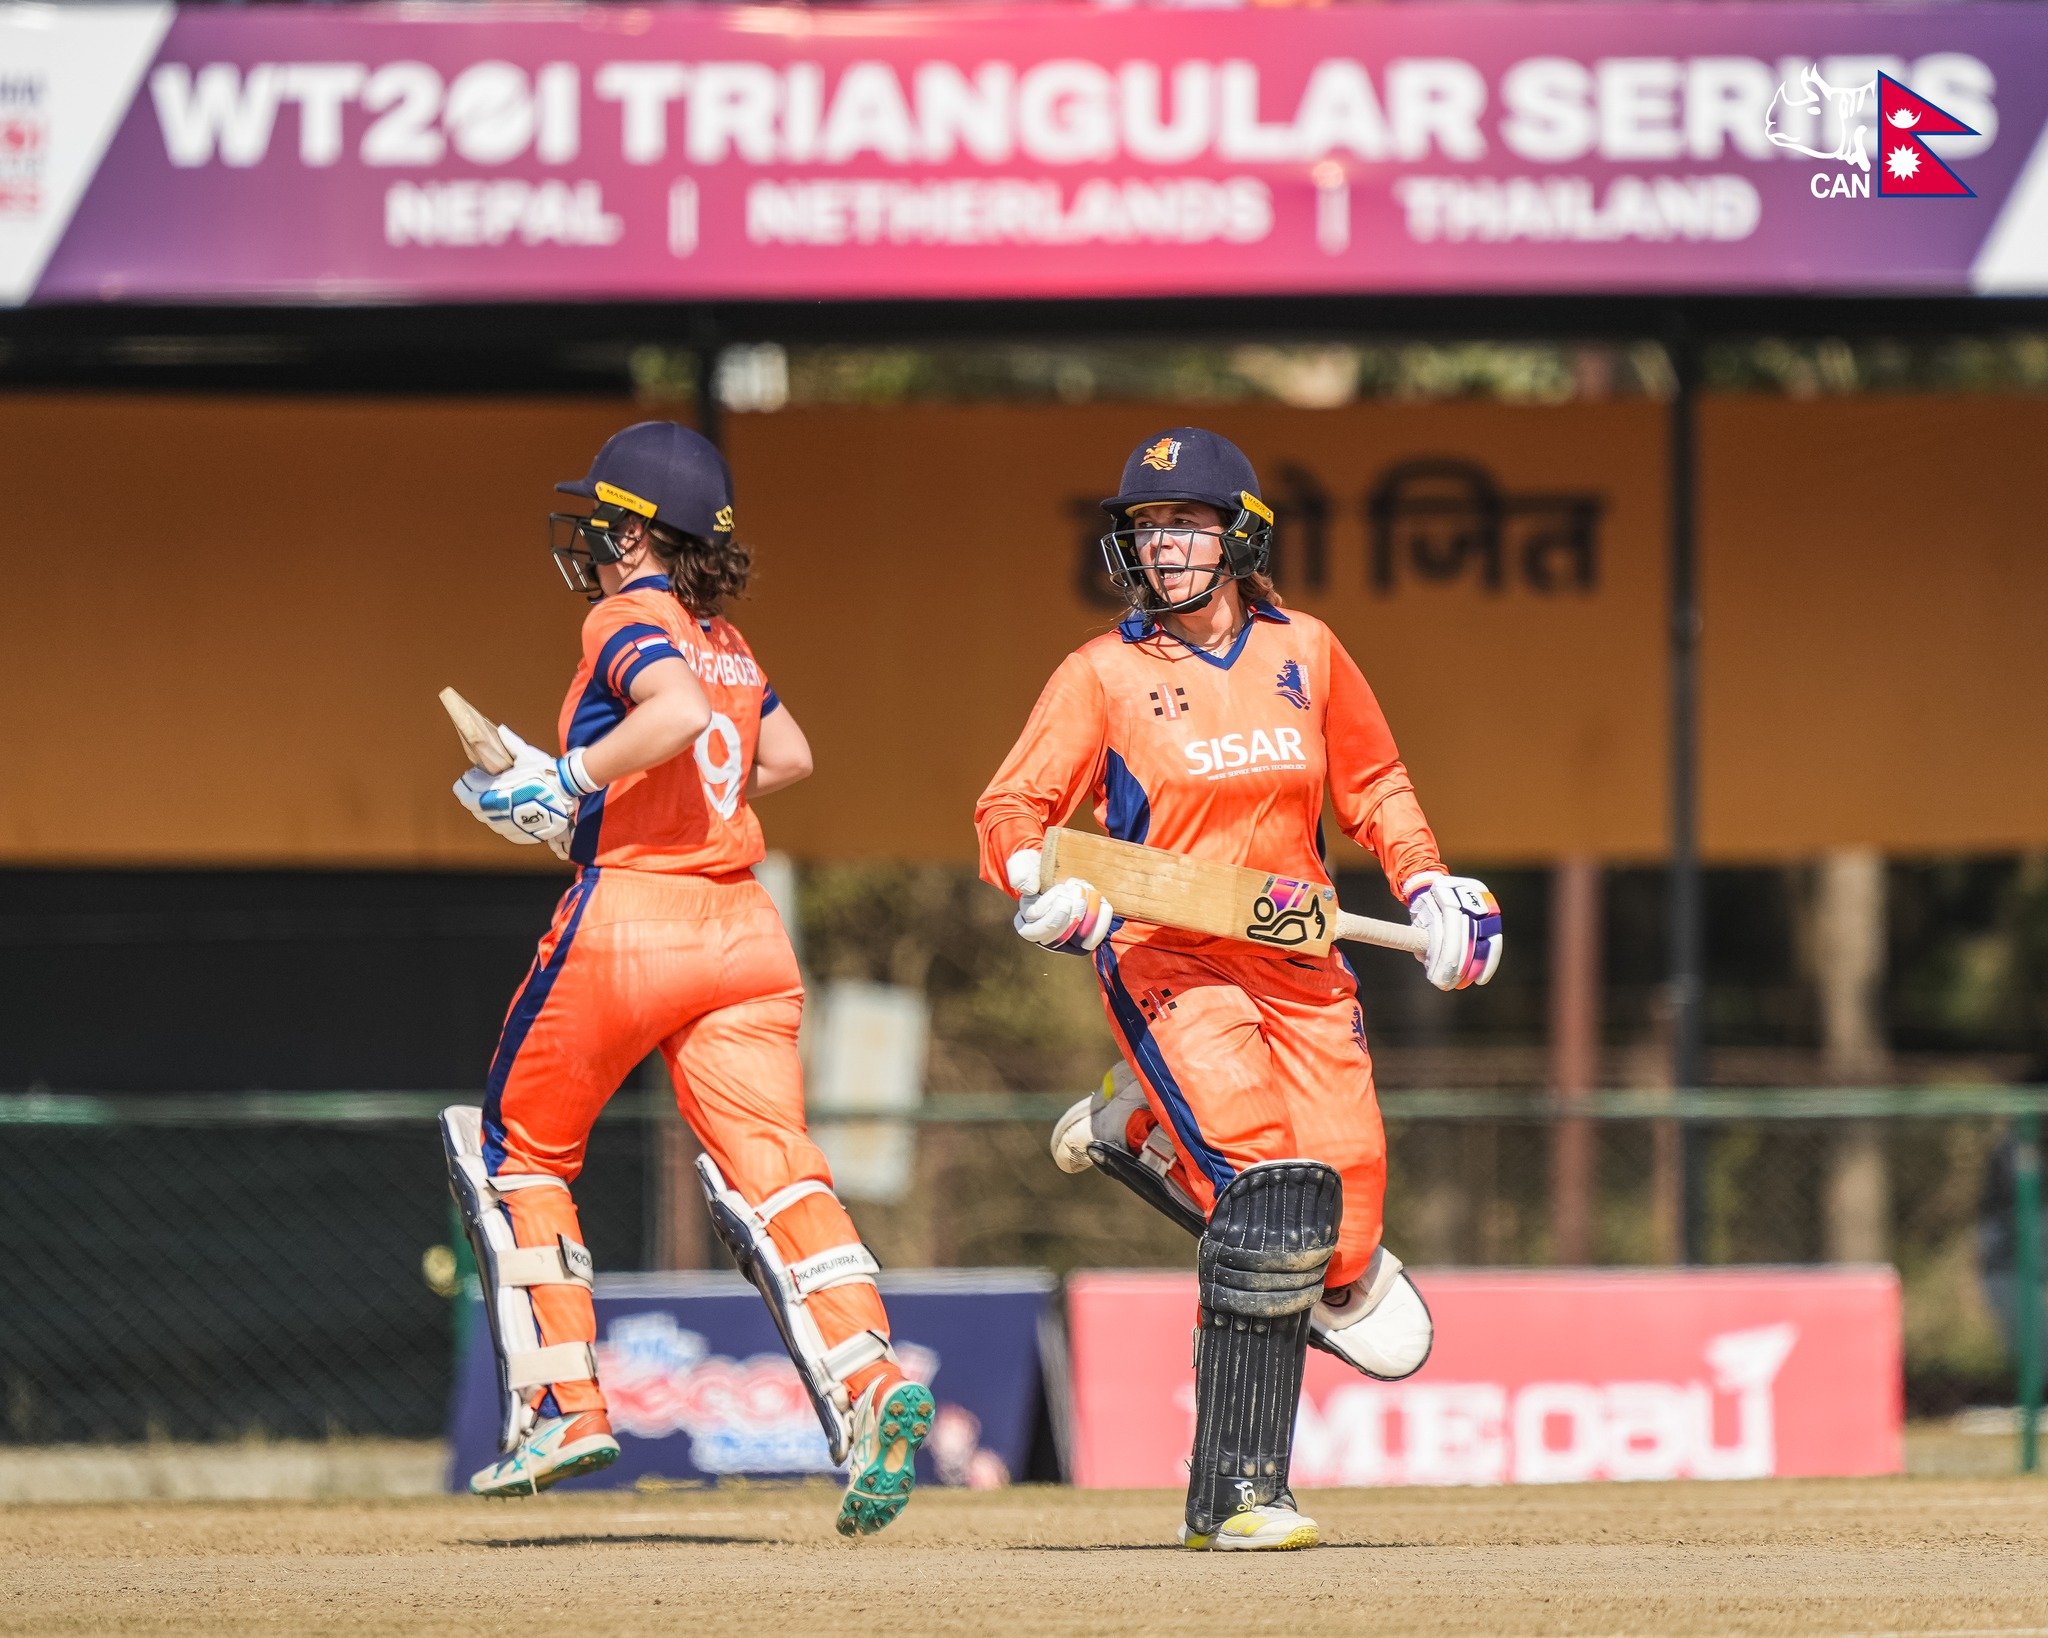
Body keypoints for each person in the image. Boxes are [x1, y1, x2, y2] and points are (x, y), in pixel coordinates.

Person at [974, 427, 1500, 1551]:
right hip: (1168, 956)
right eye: (1145, 529)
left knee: (1342, 1229)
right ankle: (1238, 1491)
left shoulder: (1306, 648)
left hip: (1301, 961)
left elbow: (1373, 782)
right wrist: (1041, 884)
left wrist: (1431, 885)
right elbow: (1010, 812)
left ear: (1238, 535)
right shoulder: (1101, 674)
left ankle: (1136, 1131)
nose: (1160, 547)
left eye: (1183, 525)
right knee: (1266, 1184)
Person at [440, 420, 931, 1536]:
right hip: (746, 934)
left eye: (602, 521)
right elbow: (785, 754)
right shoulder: (730, 640)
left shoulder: (626, 613)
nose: (589, 540)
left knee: (518, 1149)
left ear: (635, 530)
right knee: (780, 1178)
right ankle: (870, 1385)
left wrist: (568, 779)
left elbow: (674, 715)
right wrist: (635, 792)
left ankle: (563, 1406)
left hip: (632, 917)